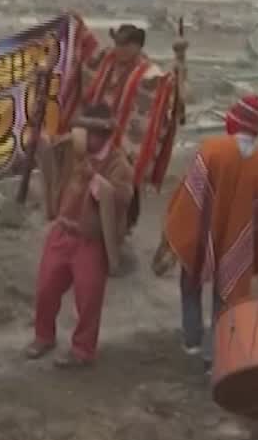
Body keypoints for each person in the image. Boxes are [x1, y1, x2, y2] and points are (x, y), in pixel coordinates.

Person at [160, 95, 258, 373]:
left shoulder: (212, 150)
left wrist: (178, 229)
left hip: (202, 235)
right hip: (239, 241)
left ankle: (191, 340)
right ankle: (211, 356)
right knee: (225, 298)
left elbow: (190, 197)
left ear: (233, 120)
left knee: (189, 283)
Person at [24, 103, 134, 368]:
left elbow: (121, 198)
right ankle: (43, 336)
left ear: (104, 135)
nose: (85, 136)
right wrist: (38, 142)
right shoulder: (73, 149)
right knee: (45, 288)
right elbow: (48, 154)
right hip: (62, 231)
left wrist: (95, 179)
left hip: (90, 240)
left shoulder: (119, 164)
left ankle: (83, 349)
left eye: (91, 132)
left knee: (88, 298)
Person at [80, 23, 188, 273]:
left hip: (127, 149)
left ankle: (116, 244)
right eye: (116, 43)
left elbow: (173, 91)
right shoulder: (108, 60)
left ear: (137, 46)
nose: (117, 49)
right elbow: (85, 61)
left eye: (123, 45)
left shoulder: (149, 74)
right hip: (102, 142)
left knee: (123, 195)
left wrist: (181, 61)